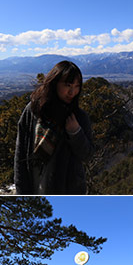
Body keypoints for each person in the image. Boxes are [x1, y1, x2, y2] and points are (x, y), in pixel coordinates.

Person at [14, 59, 93, 195]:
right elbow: (20, 153)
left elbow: (87, 155)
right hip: (33, 184)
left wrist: (75, 133)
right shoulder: (33, 110)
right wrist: (22, 191)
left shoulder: (79, 117)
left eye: (77, 86)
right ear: (54, 83)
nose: (72, 92)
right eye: (68, 85)